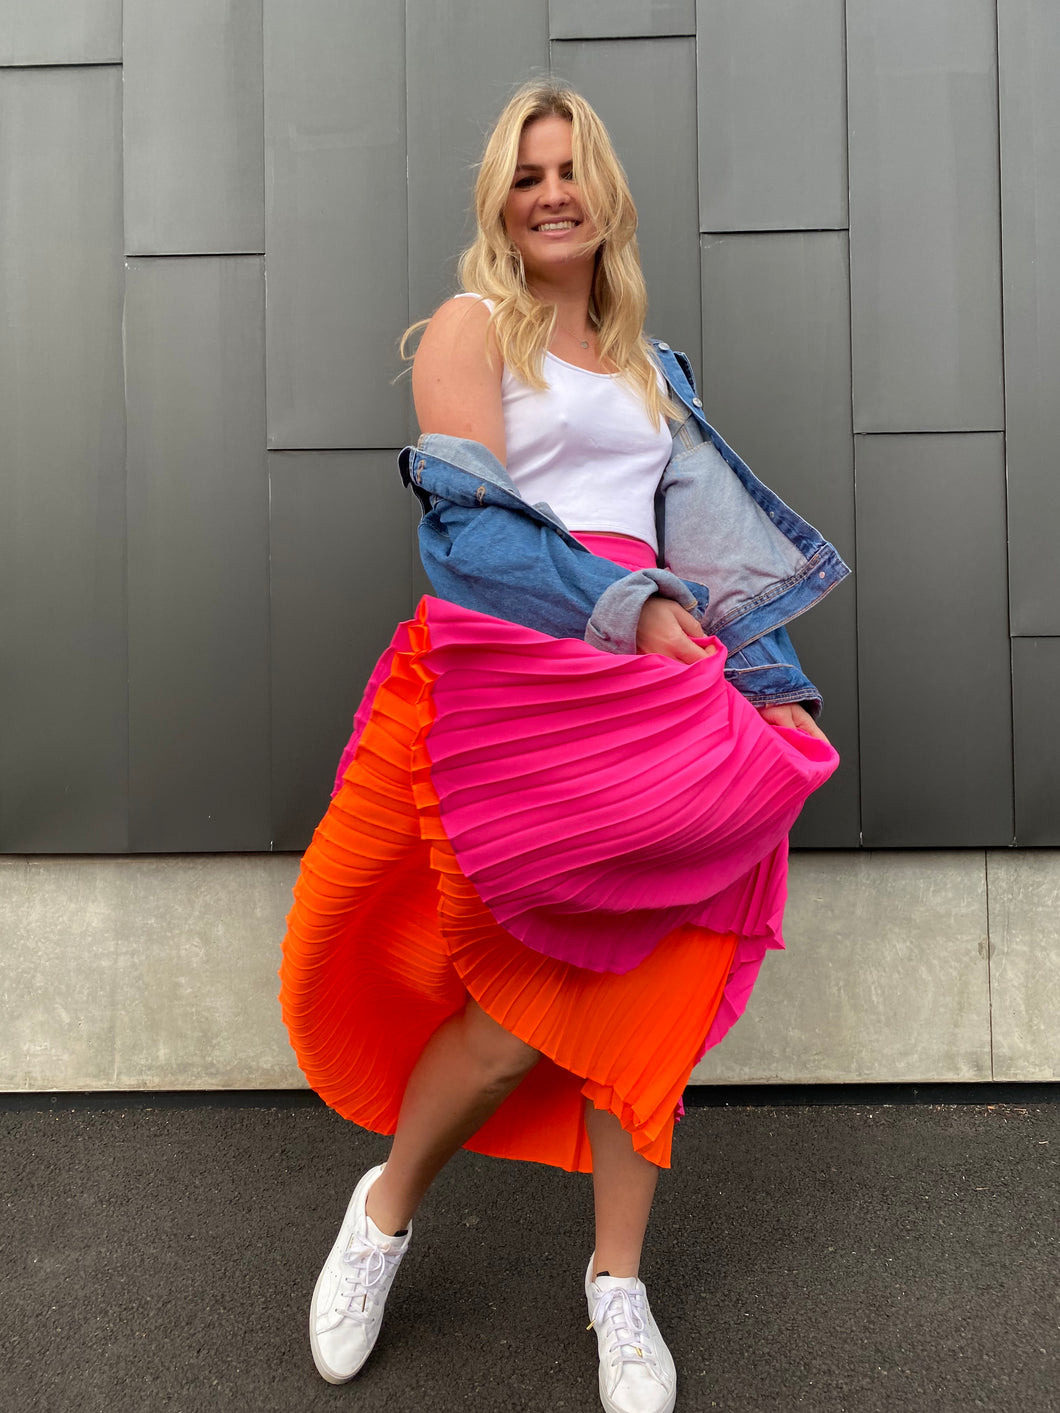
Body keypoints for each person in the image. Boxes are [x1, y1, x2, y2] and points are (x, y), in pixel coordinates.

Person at [279, 79, 848, 1413]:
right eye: (527, 172)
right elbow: (466, 538)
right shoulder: (474, 329)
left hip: (661, 697)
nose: (550, 191)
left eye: (570, 168)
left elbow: (708, 571)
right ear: (501, 197)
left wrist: (774, 685)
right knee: (501, 1028)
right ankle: (383, 1211)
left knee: (642, 1024)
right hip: (533, 695)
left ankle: (619, 1286)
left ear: (605, 195)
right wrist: (626, 610)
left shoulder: (658, 371)